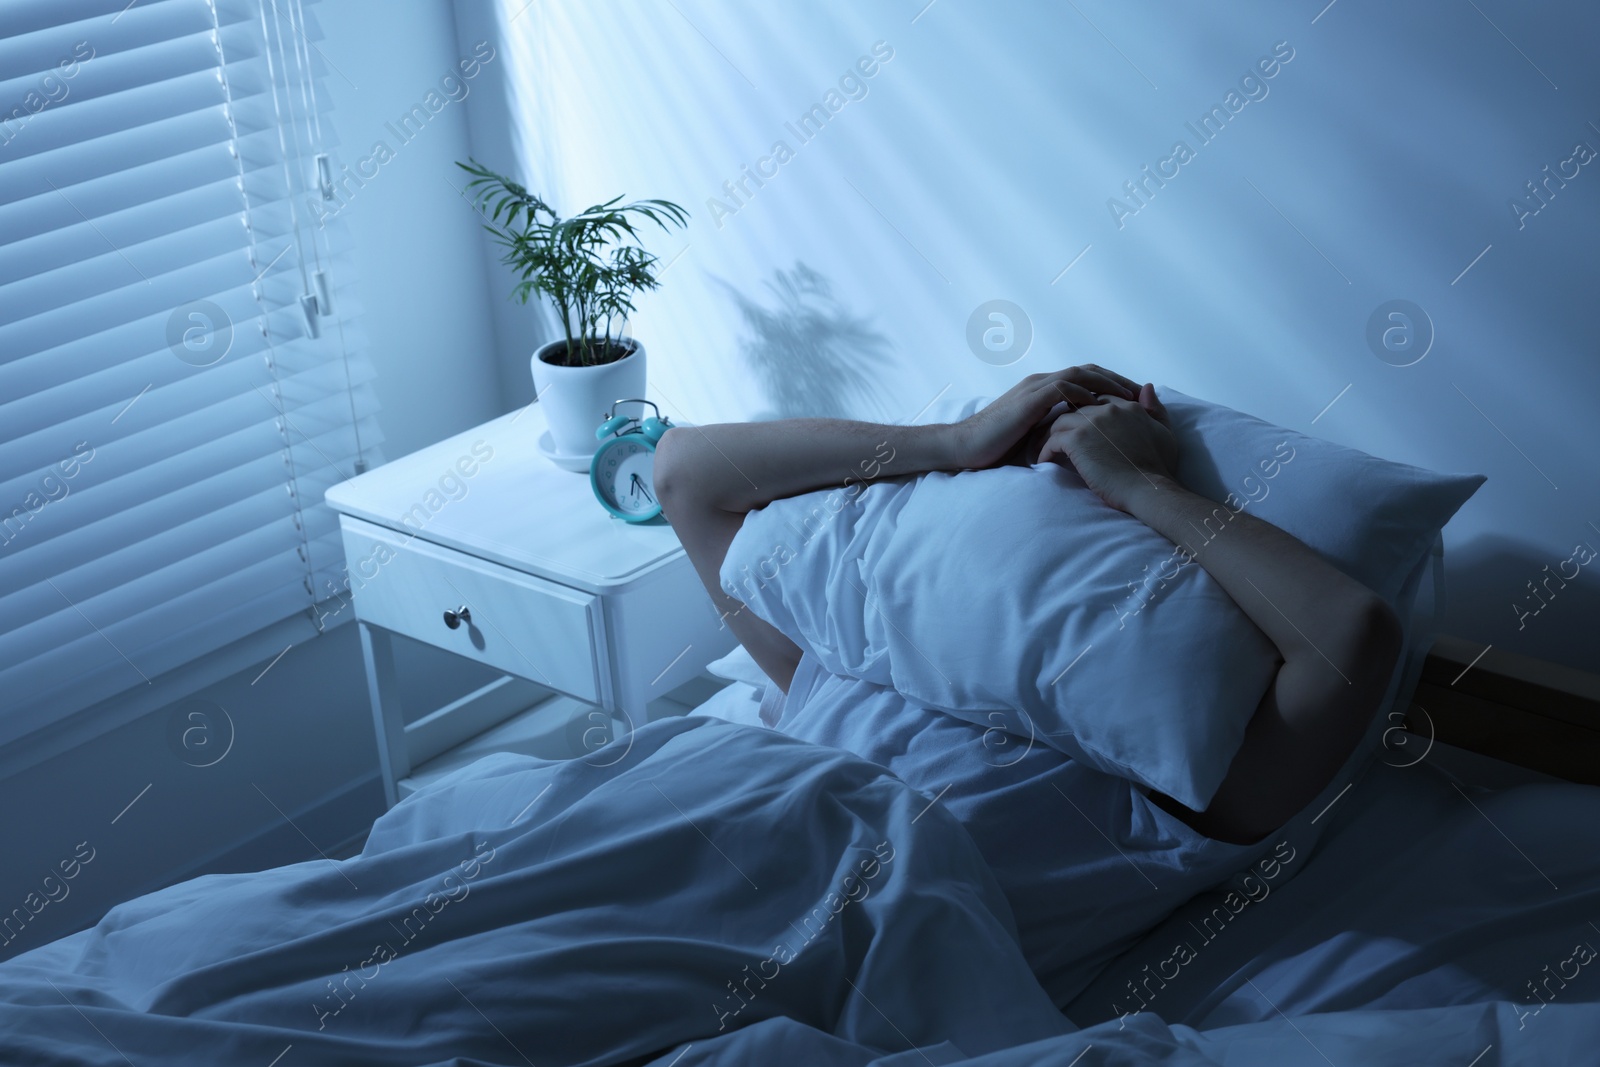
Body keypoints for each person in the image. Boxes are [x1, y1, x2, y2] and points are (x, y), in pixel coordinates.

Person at [653, 364, 1404, 1003]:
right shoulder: (844, 657)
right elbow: (684, 468)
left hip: (849, 978)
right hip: (698, 873)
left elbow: (1351, 632)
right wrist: (958, 440)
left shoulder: (1178, 784)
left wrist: (1141, 484)